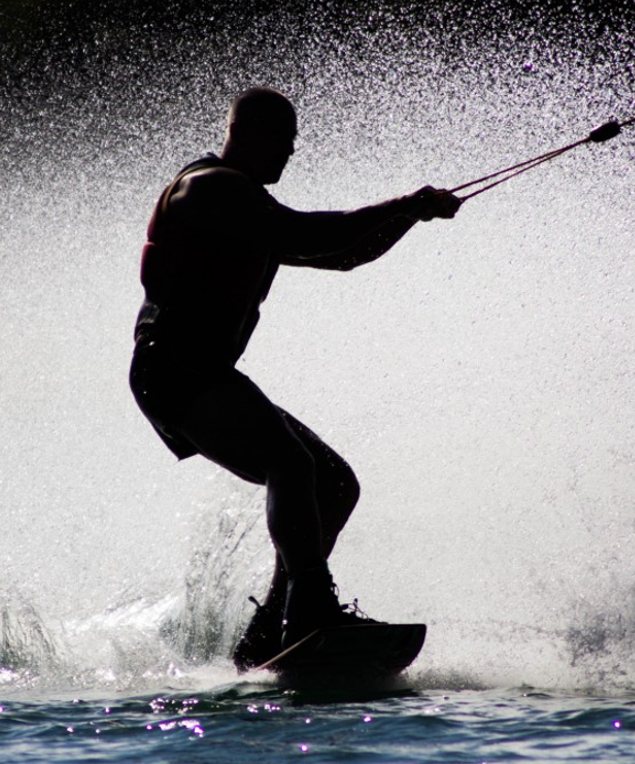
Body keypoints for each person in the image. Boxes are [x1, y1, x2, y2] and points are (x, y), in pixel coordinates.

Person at [129, 86, 461, 671]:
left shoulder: (247, 207)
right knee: (293, 463)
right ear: (247, 132)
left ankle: (269, 634)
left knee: (333, 483)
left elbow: (343, 256)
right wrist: (407, 203)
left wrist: (411, 217)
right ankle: (309, 607)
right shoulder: (210, 190)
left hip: (202, 371)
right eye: (283, 141)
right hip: (174, 368)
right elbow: (315, 235)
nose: (291, 153)